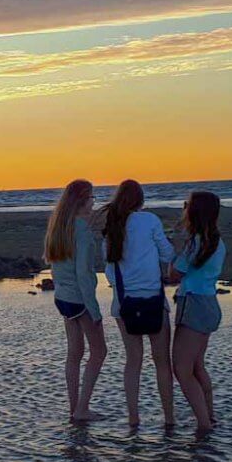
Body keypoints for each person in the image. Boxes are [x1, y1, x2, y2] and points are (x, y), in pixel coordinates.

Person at [101, 179, 176, 429]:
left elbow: (110, 273)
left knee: (133, 361)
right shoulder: (151, 221)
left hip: (124, 305)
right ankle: (169, 418)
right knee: (162, 362)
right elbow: (167, 254)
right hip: (154, 301)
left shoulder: (112, 226)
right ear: (141, 200)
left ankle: (133, 418)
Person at [45, 179, 107, 422]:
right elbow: (83, 273)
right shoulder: (82, 231)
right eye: (92, 198)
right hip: (78, 300)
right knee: (99, 351)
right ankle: (82, 409)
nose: (94, 204)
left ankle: (74, 408)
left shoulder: (59, 227)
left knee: (75, 353)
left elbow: (54, 267)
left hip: (63, 298)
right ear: (83, 202)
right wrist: (94, 310)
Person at [168, 191, 225, 434]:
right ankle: (209, 416)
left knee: (181, 369)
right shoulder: (217, 241)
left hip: (193, 305)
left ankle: (203, 424)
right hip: (210, 304)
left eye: (187, 206)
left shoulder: (195, 243)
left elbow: (174, 274)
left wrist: (173, 253)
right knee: (197, 365)